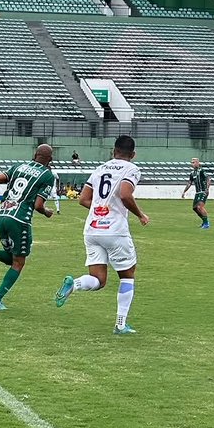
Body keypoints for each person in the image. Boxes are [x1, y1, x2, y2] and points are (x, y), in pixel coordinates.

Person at [55, 135, 149, 336]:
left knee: (98, 279)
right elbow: (125, 194)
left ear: (113, 151)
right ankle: (120, 325)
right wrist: (140, 214)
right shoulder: (131, 169)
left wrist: (101, 209)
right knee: (127, 276)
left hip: (92, 230)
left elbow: (83, 199)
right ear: (133, 154)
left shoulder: (99, 169)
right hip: (114, 231)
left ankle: (75, 284)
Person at [0, 144, 55, 311]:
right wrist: (47, 212)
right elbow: (38, 205)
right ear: (50, 159)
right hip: (19, 220)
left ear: (34, 155)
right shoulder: (47, 175)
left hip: (2, 215)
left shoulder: (18, 166)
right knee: (18, 262)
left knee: (11, 258)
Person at [181, 158, 211, 228]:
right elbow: (189, 183)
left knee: (200, 207)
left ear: (197, 163)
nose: (192, 164)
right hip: (197, 193)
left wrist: (207, 189)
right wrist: (184, 192)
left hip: (203, 191)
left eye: (193, 162)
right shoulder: (192, 173)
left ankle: (206, 223)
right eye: (192, 162)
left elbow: (208, 179)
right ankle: (204, 222)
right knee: (195, 208)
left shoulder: (201, 171)